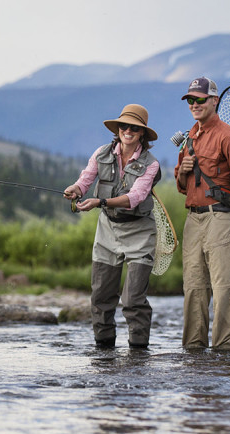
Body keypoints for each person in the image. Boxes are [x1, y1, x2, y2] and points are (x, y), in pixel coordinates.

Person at [63, 104, 161, 349]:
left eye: (134, 128)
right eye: (124, 126)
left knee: (133, 300)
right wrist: (75, 190)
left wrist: (101, 201)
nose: (128, 130)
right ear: (118, 129)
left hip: (140, 231)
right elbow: (85, 180)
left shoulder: (151, 164)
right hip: (107, 229)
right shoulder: (101, 153)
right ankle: (103, 353)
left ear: (142, 134)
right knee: (101, 297)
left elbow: (135, 197)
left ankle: (138, 356)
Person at [174, 77, 230, 349]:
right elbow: (181, 186)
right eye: (190, 100)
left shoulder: (228, 136)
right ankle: (194, 350)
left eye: (200, 99)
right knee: (194, 290)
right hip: (193, 220)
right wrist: (183, 172)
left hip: (221, 218)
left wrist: (225, 186)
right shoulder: (189, 138)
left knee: (224, 288)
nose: (194, 104)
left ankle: (225, 352)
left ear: (214, 101)